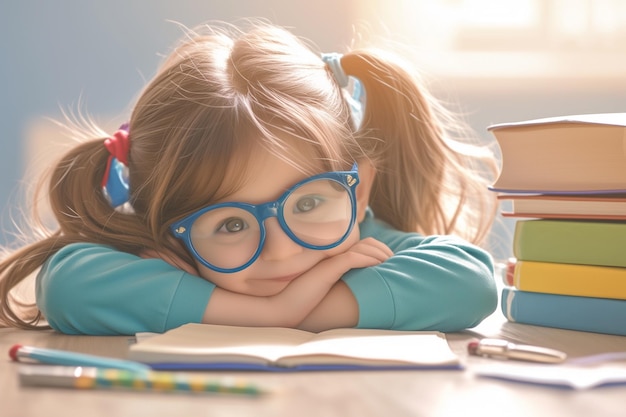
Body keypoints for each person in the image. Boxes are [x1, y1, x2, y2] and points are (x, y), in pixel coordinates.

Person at [0, 20, 499, 336]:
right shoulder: (172, 255)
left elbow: (470, 281)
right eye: (231, 224)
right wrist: (271, 314)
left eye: (307, 204)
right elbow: (69, 283)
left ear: (360, 186)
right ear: (167, 228)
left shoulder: (368, 242)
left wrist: (297, 310)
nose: (282, 251)